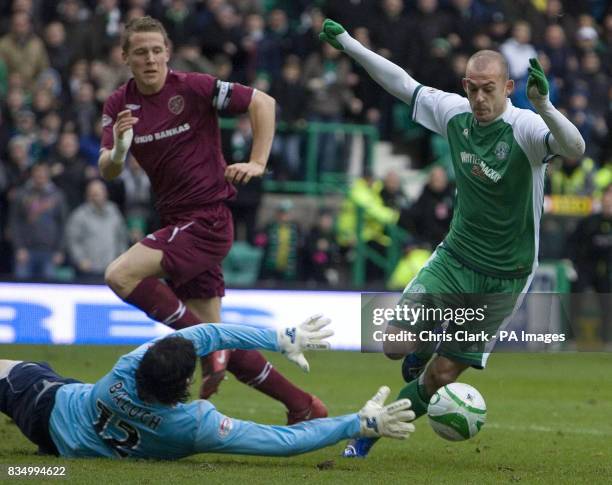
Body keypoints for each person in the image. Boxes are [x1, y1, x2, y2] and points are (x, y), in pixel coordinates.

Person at [318, 18, 586, 457]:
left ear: (508, 86)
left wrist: (545, 106)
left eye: (490, 89)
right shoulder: (455, 113)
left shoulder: (526, 130)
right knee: (393, 344)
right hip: (456, 257)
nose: (480, 99)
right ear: (465, 85)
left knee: (442, 376)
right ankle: (421, 347)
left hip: (505, 276)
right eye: (473, 88)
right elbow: (401, 83)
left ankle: (372, 431)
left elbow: (575, 150)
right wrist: (348, 42)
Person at [98, 16, 325, 423]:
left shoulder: (194, 87)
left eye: (156, 50)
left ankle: (207, 345)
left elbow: (263, 102)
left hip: (207, 220)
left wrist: (258, 161)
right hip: (175, 220)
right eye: (140, 52)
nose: (150, 59)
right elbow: (108, 169)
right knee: (222, 344)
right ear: (125, 58)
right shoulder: (119, 105)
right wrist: (118, 151)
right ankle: (302, 404)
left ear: (167, 52)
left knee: (119, 275)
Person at [0, 315, 415, 458]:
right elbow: (282, 441)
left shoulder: (127, 368)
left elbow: (209, 333)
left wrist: (277, 340)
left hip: (43, 402)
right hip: (57, 441)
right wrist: (357, 424)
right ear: (184, 383)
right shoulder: (194, 426)